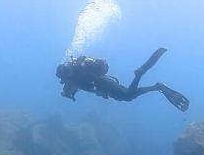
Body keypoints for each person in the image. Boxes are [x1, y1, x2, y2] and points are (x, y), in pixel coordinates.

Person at [56, 47, 190, 111]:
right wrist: (71, 94)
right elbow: (77, 88)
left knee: (127, 96)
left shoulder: (74, 78)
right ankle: (157, 87)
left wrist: (69, 93)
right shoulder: (75, 75)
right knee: (128, 96)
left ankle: (140, 74)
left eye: (63, 79)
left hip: (105, 84)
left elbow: (84, 84)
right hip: (105, 84)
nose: (64, 81)